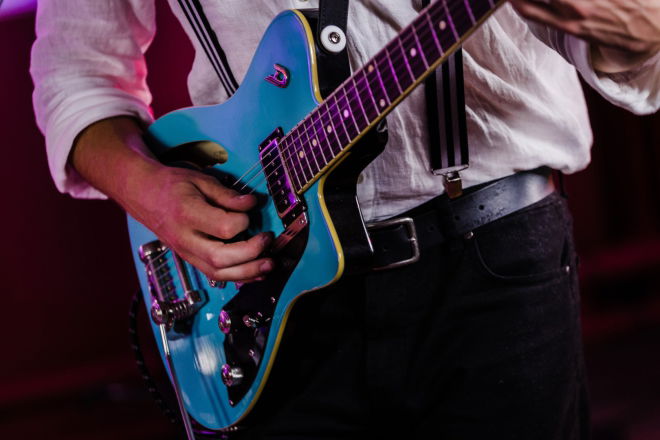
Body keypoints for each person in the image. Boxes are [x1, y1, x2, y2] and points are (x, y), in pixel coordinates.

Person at [31, 1, 659, 439]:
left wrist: (638, 27)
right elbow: (75, 72)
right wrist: (149, 188)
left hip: (491, 263)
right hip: (269, 289)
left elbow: (628, 46)